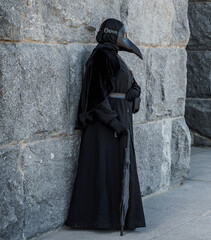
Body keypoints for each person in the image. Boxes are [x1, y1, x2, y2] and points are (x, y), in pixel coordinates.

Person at [64, 18, 146, 232]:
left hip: (119, 120)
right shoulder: (101, 56)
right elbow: (96, 98)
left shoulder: (115, 58)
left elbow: (131, 82)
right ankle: (101, 219)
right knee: (104, 168)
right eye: (121, 34)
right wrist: (115, 123)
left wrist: (135, 91)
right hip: (106, 126)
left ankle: (118, 218)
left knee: (117, 168)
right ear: (113, 34)